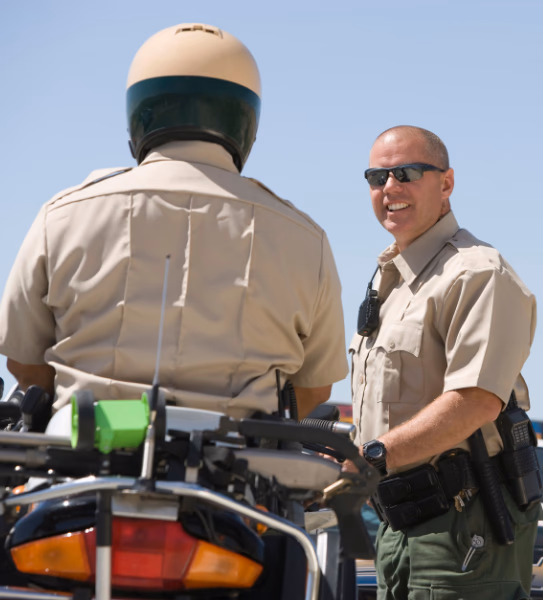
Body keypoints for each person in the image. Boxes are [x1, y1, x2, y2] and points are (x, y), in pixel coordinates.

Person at [0, 23, 348, 419]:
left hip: (81, 464)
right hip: (242, 471)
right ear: (246, 119)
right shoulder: (306, 238)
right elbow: (315, 386)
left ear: (140, 112)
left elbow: (24, 363)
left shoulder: (61, 215)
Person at [350, 125, 540, 599]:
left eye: (407, 173)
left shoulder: (476, 272)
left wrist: (372, 458)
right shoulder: (388, 284)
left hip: (463, 523)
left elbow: (475, 401)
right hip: (398, 524)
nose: (389, 188)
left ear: (446, 183)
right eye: (377, 177)